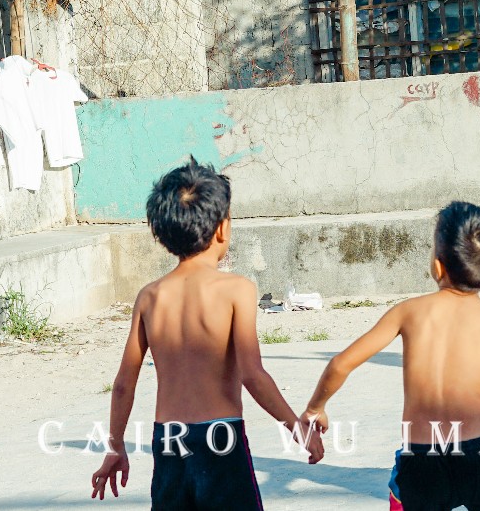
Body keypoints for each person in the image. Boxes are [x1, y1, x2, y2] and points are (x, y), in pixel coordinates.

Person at [301, 201, 480, 511]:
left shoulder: (408, 313)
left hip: (420, 458)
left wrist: (316, 408)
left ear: (438, 266)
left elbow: (341, 363)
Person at [91, 158, 322, 508]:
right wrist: (296, 427)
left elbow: (124, 382)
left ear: (161, 232)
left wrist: (115, 446)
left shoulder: (150, 297)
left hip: (168, 440)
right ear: (222, 229)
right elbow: (252, 374)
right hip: (221, 438)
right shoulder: (237, 290)